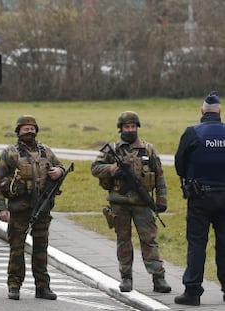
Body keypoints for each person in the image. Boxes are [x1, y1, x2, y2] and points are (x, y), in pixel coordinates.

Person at [91, 111, 171, 293]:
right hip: (119, 203)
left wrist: (161, 200)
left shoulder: (147, 149)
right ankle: (126, 277)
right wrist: (113, 169)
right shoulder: (112, 150)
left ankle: (158, 278)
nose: (130, 130)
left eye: (133, 126)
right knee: (123, 241)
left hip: (142, 204)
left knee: (149, 241)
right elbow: (95, 168)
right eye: (127, 127)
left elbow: (159, 176)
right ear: (120, 128)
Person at [0, 115, 65, 301]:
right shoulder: (9, 154)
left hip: (42, 208)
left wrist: (60, 171)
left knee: (41, 249)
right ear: (18, 131)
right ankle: (14, 285)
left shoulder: (46, 152)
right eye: (25, 128)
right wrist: (1, 208)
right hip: (19, 209)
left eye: (32, 128)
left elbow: (60, 167)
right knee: (16, 248)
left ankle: (42, 286)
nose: (29, 131)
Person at [174, 91, 225, 306]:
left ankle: (192, 292)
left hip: (199, 197)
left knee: (196, 243)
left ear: (202, 111)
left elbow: (179, 165)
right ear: (220, 112)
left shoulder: (192, 133)